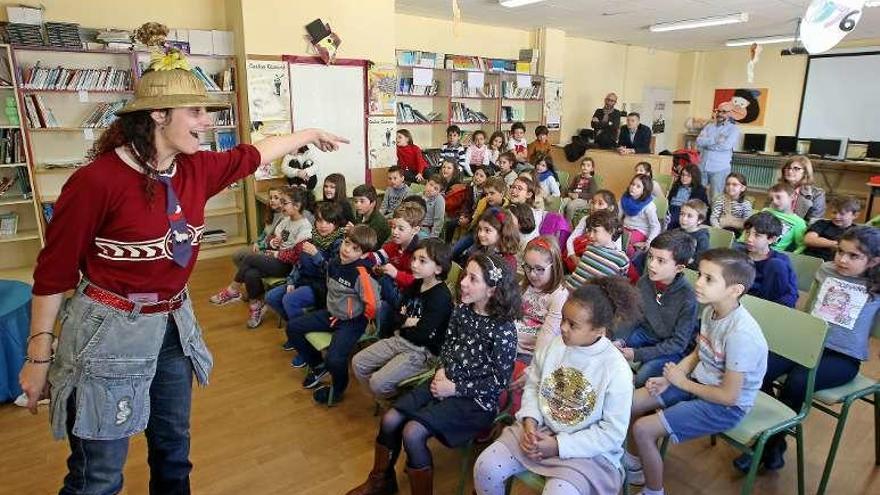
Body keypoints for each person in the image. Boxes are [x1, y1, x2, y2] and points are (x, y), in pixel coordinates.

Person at [19, 22, 348, 494]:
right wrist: (38, 355)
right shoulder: (96, 183)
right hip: (106, 332)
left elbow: (255, 153)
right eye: (195, 111)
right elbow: (53, 275)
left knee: (174, 454)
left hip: (173, 326)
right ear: (157, 115)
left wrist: (310, 133)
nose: (207, 121)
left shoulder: (195, 169)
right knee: (98, 475)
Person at [345, 254, 520, 495]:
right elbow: (448, 347)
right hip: (444, 380)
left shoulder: (504, 329)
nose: (463, 283)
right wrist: (440, 371)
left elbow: (499, 382)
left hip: (475, 401)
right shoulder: (463, 311)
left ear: (492, 290)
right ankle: (381, 481)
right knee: (390, 419)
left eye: (473, 279)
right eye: (464, 275)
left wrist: (455, 389)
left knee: (412, 431)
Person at [473, 277, 639, 495]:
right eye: (563, 319)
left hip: (587, 453)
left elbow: (611, 434)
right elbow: (533, 385)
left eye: (573, 325)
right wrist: (530, 421)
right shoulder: (556, 345)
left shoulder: (616, 369)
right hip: (542, 430)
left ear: (599, 330)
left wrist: (558, 445)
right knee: (485, 467)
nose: (562, 328)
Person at [734, 226, 880, 473]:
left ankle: (768, 444)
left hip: (843, 357)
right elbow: (810, 308)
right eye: (840, 252)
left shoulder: (876, 285)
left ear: (874, 261)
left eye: (854, 256)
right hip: (808, 343)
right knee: (760, 367)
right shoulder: (826, 270)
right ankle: (771, 439)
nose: (842, 260)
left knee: (797, 383)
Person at [625, 249, 768, 493]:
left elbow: (729, 397)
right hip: (698, 383)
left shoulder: (741, 335)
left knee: (642, 429)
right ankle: (636, 464)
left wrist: (680, 382)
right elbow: (698, 353)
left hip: (725, 407)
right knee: (629, 402)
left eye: (709, 279)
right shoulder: (711, 310)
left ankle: (654, 490)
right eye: (700, 275)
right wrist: (668, 379)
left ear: (735, 290)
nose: (698, 283)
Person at [287, 225, 380, 405]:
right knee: (293, 328)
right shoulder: (336, 262)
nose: (346, 249)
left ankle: (338, 389)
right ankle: (318, 366)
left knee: (335, 358)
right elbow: (327, 274)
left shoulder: (362, 275)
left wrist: (368, 319)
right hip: (332, 314)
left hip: (352, 322)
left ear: (363, 255)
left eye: (355, 249)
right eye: (346, 243)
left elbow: (374, 304)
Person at [352, 239, 453, 399]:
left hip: (422, 352)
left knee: (377, 383)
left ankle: (396, 400)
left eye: (422, 261)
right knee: (358, 363)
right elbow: (395, 314)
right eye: (414, 259)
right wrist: (407, 321)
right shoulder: (416, 283)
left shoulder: (441, 297)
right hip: (400, 338)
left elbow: (422, 335)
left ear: (439, 268)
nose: (414, 264)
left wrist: (403, 321)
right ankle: (387, 397)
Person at [615, 231, 698, 387]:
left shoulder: (688, 298)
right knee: (612, 345)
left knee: (644, 376)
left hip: (670, 347)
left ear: (679, 268)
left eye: (661, 261)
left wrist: (637, 354)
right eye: (651, 257)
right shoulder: (645, 281)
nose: (651, 264)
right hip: (645, 332)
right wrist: (620, 340)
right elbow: (633, 316)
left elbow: (678, 343)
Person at [270, 201, 347, 364]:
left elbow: (335, 274)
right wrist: (291, 280)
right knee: (272, 297)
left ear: (336, 223)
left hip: (324, 286)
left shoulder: (340, 243)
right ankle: (296, 332)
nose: (323, 226)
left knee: (290, 300)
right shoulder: (313, 236)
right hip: (305, 279)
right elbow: (299, 264)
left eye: (328, 222)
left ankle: (304, 345)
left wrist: (317, 256)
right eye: (319, 221)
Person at [231, 186, 313, 328]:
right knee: (251, 273)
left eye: (284, 202)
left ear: (297, 205)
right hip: (277, 260)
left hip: (288, 266)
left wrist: (277, 253)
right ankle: (256, 308)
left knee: (250, 258)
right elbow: (272, 238)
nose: (281, 205)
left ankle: (233, 289)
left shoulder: (304, 227)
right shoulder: (285, 220)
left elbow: (297, 256)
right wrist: (273, 242)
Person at [372, 203, 425, 337]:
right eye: (393, 227)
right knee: (383, 305)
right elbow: (378, 256)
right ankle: (382, 336)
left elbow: (418, 283)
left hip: (410, 298)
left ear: (415, 230)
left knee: (383, 282)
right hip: (394, 294)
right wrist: (364, 258)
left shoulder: (420, 252)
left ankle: (383, 333)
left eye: (401, 228)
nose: (394, 232)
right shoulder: (394, 245)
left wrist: (396, 274)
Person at [738, 211, 799, 307]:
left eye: (757, 235)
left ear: (771, 239)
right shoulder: (737, 253)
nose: (749, 238)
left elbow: (791, 294)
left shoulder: (781, 260)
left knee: (776, 265)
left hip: (768, 306)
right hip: (739, 302)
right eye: (747, 232)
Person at [565, 210, 630, 289]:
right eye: (589, 230)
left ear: (611, 231)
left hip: (588, 299)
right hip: (568, 290)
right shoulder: (589, 247)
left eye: (595, 231)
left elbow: (619, 286)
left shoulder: (621, 259)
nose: (591, 235)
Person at [696, 104, 740, 199]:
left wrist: (707, 144)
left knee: (716, 198)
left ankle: (714, 214)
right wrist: (715, 140)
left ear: (730, 113)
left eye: (724, 112)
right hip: (703, 167)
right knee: (698, 196)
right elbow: (699, 141)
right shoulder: (709, 127)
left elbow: (726, 146)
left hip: (719, 169)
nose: (720, 114)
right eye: (718, 111)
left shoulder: (733, 129)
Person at [566, 189, 619, 261]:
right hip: (583, 255)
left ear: (610, 208)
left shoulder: (613, 225)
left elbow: (616, 252)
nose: (594, 206)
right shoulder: (585, 219)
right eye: (593, 202)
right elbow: (571, 239)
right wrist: (572, 256)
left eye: (600, 204)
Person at [804, 195, 861, 261]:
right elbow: (809, 240)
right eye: (834, 212)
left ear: (855, 215)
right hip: (811, 259)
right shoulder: (821, 223)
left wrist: (820, 240)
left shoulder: (857, 232)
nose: (837, 216)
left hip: (836, 263)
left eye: (842, 214)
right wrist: (836, 244)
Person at [622, 174, 662, 257]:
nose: (633, 187)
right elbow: (617, 215)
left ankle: (631, 267)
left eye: (638, 186)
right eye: (632, 184)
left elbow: (655, 226)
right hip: (625, 228)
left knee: (626, 247)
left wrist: (649, 242)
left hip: (640, 231)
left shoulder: (649, 206)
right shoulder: (624, 199)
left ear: (644, 190)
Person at [779, 155, 826, 224]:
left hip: (800, 230)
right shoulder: (778, 189)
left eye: (796, 168)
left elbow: (814, 223)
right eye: (788, 168)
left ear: (805, 172)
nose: (790, 171)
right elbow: (766, 212)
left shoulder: (817, 194)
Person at [764, 182, 807, 253]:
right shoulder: (765, 211)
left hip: (773, 254)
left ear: (792, 197)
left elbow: (802, 245)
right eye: (771, 199)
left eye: (778, 197)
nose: (774, 201)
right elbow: (749, 231)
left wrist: (792, 256)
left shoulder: (799, 222)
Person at [666, 164, 708, 230]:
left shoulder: (699, 190)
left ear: (694, 177)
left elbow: (698, 208)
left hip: (684, 211)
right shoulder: (676, 186)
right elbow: (669, 200)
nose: (684, 178)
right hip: (671, 209)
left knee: (671, 220)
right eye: (683, 175)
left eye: (688, 176)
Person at [710, 172, 752, 236]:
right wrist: (718, 230)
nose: (730, 187)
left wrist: (730, 222)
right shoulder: (720, 200)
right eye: (728, 184)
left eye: (734, 184)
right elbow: (714, 218)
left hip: (738, 233)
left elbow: (747, 223)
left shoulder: (746, 204)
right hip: (721, 231)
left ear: (742, 188)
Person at [675, 199, 710, 270]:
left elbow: (699, 264)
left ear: (700, 220)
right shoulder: (676, 232)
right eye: (682, 214)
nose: (684, 219)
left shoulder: (702, 238)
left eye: (689, 216)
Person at [562, 156, 597, 222]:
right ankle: (560, 223)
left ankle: (567, 226)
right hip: (572, 197)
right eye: (583, 165)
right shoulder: (577, 177)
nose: (585, 167)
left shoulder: (592, 180)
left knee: (571, 206)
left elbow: (592, 194)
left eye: (588, 165)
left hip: (583, 200)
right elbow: (570, 188)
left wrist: (579, 195)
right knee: (563, 203)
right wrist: (569, 193)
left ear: (592, 169)